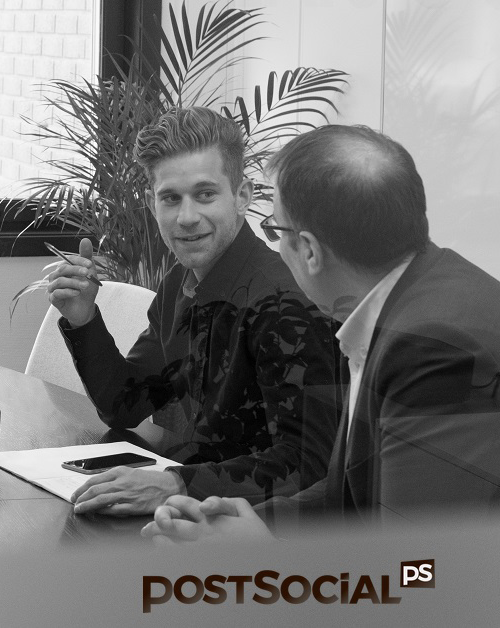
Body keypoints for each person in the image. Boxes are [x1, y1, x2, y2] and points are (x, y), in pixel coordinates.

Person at [143, 125, 500, 543]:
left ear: (309, 251)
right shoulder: (411, 299)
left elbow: (420, 567)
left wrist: (261, 553)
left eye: (276, 231)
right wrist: (259, 523)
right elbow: (351, 490)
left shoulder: (431, 349)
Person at [47, 107, 343, 515]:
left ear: (242, 197)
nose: (186, 218)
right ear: (152, 204)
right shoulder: (178, 283)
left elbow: (308, 462)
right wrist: (83, 320)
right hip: (192, 510)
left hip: (263, 529)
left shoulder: (285, 303)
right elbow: (126, 404)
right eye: (171, 198)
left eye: (205, 194)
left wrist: (177, 485)